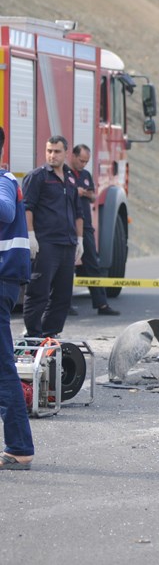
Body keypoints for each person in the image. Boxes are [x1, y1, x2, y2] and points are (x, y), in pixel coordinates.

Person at [22, 136, 83, 338]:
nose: (52, 155)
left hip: (67, 244)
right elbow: (27, 208)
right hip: (46, 244)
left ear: (66, 153)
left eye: (56, 151)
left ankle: (49, 334)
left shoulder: (71, 178)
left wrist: (80, 240)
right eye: (49, 151)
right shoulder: (37, 177)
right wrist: (31, 235)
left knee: (63, 296)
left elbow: (78, 212)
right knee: (38, 292)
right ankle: (33, 335)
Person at [0, 127, 34, 470]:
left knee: (2, 367)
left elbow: (5, 211)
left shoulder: (3, 180)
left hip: (1, 280)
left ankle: (20, 447)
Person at [67, 144, 119, 316]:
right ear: (73, 157)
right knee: (66, 267)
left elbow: (94, 196)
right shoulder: (65, 174)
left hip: (86, 226)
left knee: (92, 264)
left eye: (86, 161)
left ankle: (101, 304)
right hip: (67, 225)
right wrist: (76, 192)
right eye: (81, 160)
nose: (83, 164)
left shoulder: (86, 175)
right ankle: (64, 304)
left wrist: (87, 194)